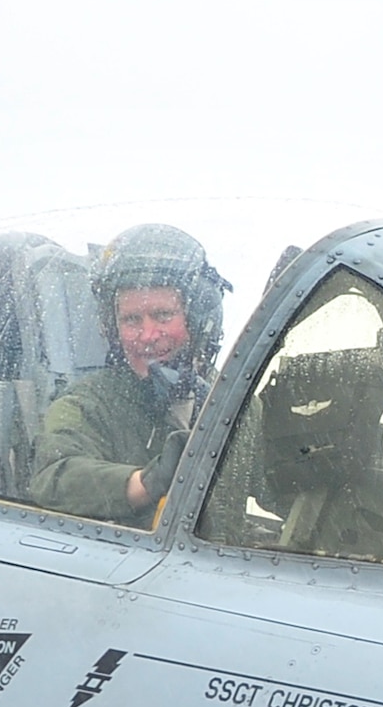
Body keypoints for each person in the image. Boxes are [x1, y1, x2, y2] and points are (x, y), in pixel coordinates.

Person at [29, 224, 232, 527]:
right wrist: (146, 482)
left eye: (163, 315)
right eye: (132, 320)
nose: (147, 335)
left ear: (199, 320)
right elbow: (53, 478)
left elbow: (275, 487)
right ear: (113, 330)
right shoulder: (87, 405)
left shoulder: (231, 397)